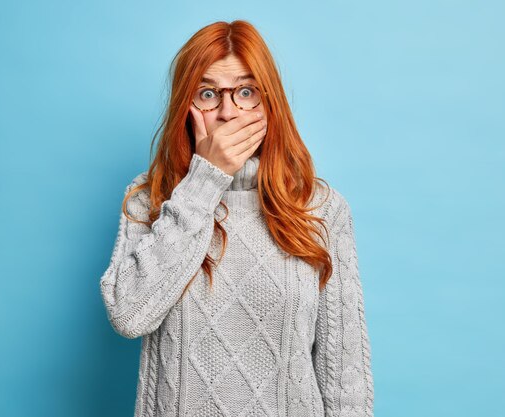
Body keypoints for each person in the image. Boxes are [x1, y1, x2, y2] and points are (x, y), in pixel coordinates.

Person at [99, 19, 374, 417]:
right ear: (185, 106)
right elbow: (129, 314)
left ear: (269, 102)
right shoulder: (150, 198)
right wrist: (204, 182)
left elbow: (344, 378)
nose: (228, 113)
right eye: (208, 94)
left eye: (246, 92)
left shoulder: (320, 208)